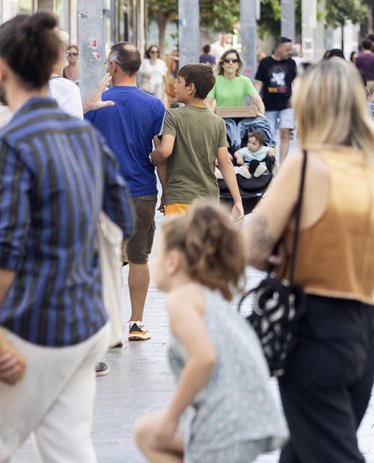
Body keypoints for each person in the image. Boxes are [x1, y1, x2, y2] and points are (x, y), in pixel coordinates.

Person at [243, 58, 374, 463]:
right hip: (365, 329)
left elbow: (250, 245)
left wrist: (277, 254)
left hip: (314, 328)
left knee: (331, 454)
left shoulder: (307, 164)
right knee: (303, 451)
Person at [0, 12, 134, 462]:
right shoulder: (84, 137)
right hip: (84, 324)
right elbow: (122, 220)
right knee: (69, 450)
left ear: (3, 69)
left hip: (28, 330)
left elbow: (7, 249)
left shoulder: (12, 143)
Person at [133, 206, 287, 463]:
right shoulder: (208, 298)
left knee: (154, 433)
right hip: (249, 418)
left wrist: (172, 417)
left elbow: (204, 357)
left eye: (157, 255)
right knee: (146, 432)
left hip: (222, 425)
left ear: (173, 262)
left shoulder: (181, 299)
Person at [85, 42, 167, 343]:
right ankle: (136, 323)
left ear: (113, 67)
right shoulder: (154, 105)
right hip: (142, 190)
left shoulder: (97, 103)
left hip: (102, 193)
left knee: (105, 261)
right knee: (139, 258)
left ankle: (109, 325)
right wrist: (167, 191)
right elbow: (161, 153)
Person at [151, 64, 244, 221]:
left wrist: (153, 156)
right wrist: (238, 200)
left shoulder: (173, 116)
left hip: (179, 198)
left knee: (179, 246)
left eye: (179, 82)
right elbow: (225, 162)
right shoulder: (217, 122)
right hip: (209, 201)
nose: (175, 85)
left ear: (190, 88)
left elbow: (165, 151)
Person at [208, 48, 266, 148]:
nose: (230, 63)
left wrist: (261, 113)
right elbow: (208, 102)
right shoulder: (215, 80)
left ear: (238, 64)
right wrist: (212, 118)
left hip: (241, 121)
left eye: (234, 60)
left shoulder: (244, 81)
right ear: (222, 64)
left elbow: (257, 99)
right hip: (222, 120)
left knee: (264, 127)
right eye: (227, 60)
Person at [254, 37, 298, 164]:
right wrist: (254, 102)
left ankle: (282, 163)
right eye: (287, 49)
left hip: (287, 105)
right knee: (269, 134)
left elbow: (296, 82)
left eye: (290, 49)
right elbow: (259, 83)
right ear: (278, 48)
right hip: (269, 105)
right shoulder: (265, 63)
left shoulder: (291, 63)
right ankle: (270, 162)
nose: (290, 51)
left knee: (285, 132)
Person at [49, 31, 83, 117]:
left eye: (74, 54)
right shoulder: (68, 88)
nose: (71, 56)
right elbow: (74, 127)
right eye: (67, 53)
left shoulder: (24, 86)